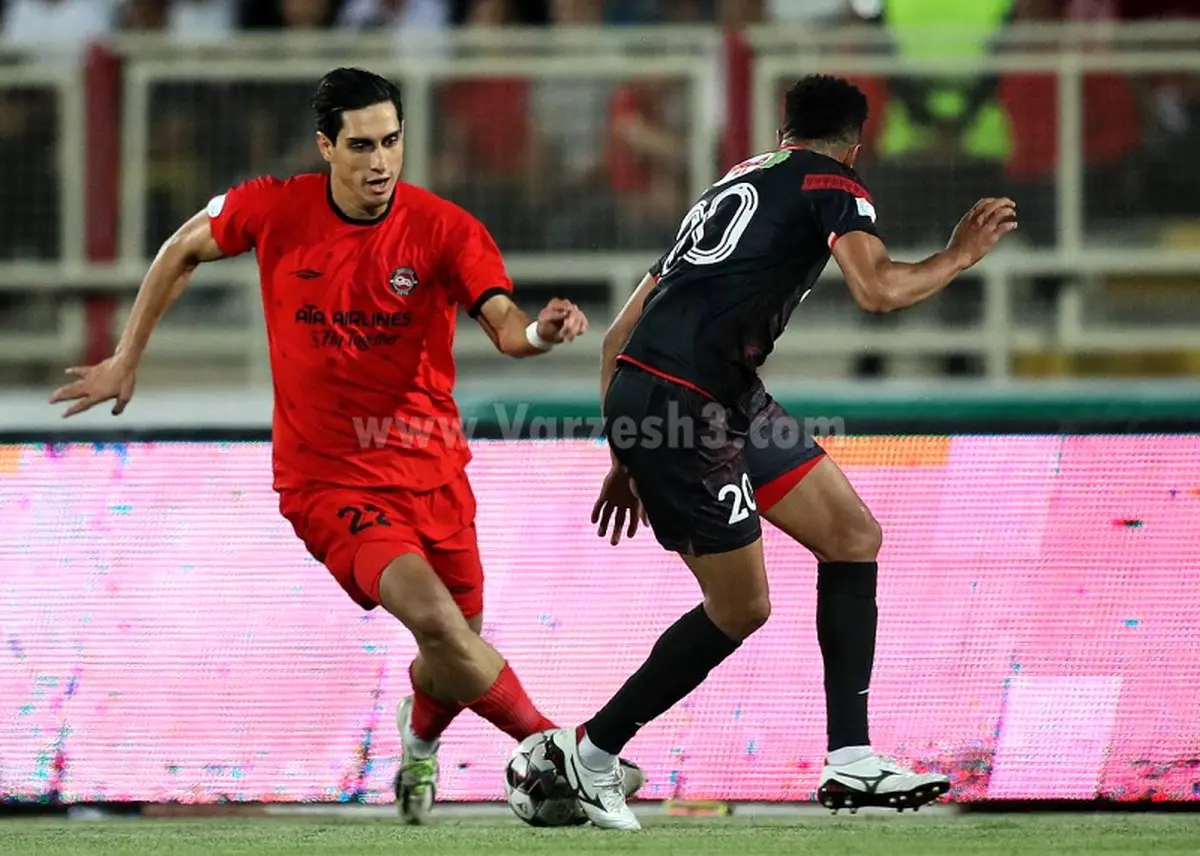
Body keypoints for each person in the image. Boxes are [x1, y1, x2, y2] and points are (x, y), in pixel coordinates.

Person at [49, 66, 643, 825]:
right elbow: (181, 248)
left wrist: (540, 332)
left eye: (392, 142)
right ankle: (563, 753)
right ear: (325, 146)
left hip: (433, 473)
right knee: (436, 620)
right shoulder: (273, 207)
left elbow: (502, 324)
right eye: (360, 145)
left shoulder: (443, 227)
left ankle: (419, 738)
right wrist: (128, 353)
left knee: (456, 642)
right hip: (327, 483)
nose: (380, 162)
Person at [548, 74, 1018, 830]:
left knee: (852, 535)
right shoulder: (836, 182)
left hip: (698, 394)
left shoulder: (732, 181)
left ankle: (851, 760)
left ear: (781, 130)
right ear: (855, 142)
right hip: (690, 402)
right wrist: (959, 256)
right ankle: (591, 755)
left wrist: (627, 446)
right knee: (742, 607)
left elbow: (615, 337)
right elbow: (878, 291)